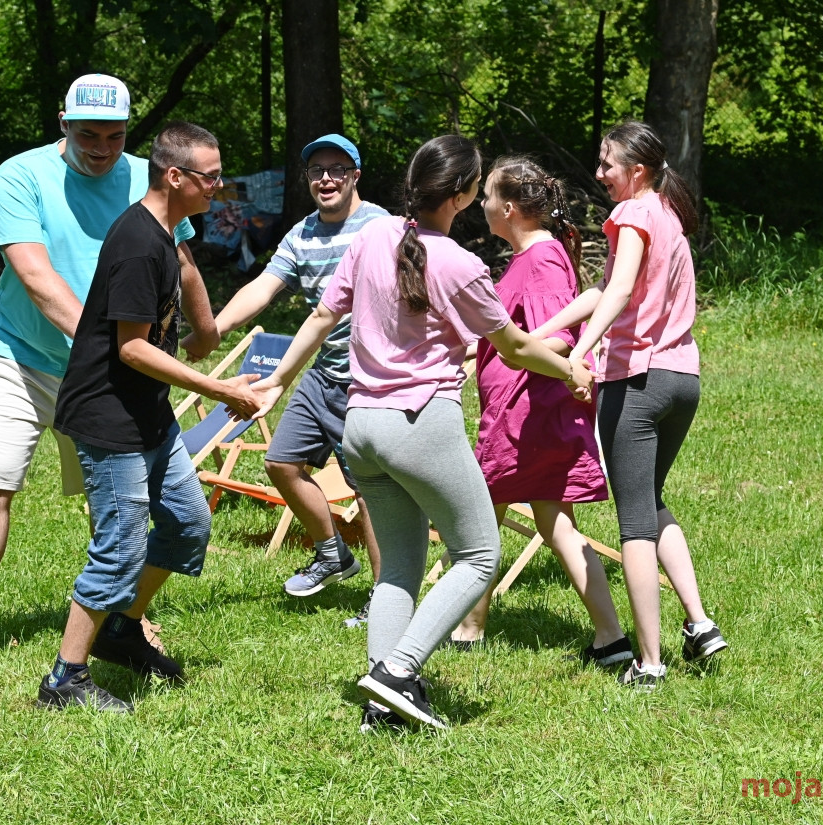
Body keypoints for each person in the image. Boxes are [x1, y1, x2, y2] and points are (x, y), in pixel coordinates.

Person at [242, 136, 587, 730]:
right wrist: (572, 369)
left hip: (361, 428)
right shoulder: (461, 264)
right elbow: (516, 347)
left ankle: (384, 708)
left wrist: (278, 379)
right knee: (480, 553)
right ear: (465, 195)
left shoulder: (373, 235)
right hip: (419, 424)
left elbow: (322, 315)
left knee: (399, 566)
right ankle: (398, 672)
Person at [0, 74, 217, 663]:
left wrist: (206, 329)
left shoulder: (151, 176)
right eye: (87, 135)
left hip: (112, 372)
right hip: (24, 359)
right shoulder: (21, 174)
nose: (102, 148)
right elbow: (34, 273)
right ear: (64, 124)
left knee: (119, 501)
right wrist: (104, 347)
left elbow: (181, 258)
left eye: (114, 135)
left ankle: (126, 619)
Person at [38, 121, 261, 711]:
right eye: (211, 177)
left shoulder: (165, 235)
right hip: (110, 420)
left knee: (187, 525)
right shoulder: (138, 243)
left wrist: (205, 335)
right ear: (175, 176)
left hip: (148, 415)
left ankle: (121, 628)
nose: (218, 187)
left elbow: (183, 308)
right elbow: (132, 349)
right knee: (119, 547)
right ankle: (64, 679)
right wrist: (217, 388)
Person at [534, 121, 728, 690]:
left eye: (607, 164)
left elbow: (617, 293)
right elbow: (604, 289)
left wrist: (579, 354)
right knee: (652, 501)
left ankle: (649, 663)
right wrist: (540, 334)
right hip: (682, 380)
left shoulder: (632, 214)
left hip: (638, 381)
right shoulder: (668, 215)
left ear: (636, 170)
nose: (599, 173)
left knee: (634, 525)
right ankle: (700, 624)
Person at [183, 134, 385, 624]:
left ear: (355, 176)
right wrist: (213, 330)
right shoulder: (302, 234)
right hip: (321, 373)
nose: (326, 179)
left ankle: (385, 603)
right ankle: (333, 553)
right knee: (280, 463)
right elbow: (262, 287)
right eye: (317, 171)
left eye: (337, 169)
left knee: (370, 491)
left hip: (369, 381)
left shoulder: (380, 228)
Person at [444, 156, 631, 666]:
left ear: (508, 209)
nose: (482, 205)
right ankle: (610, 638)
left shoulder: (542, 258)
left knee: (482, 520)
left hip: (527, 416)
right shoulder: (530, 257)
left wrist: (528, 364)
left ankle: (468, 628)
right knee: (550, 524)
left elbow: (560, 340)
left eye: (487, 196)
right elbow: (519, 333)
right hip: (521, 410)